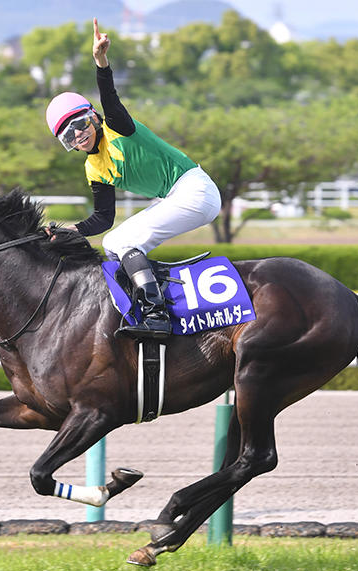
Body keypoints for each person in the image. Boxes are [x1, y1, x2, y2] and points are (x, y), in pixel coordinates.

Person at [45, 18, 221, 340]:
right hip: (175, 197)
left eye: (81, 124)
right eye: (69, 135)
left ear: (94, 116)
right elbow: (103, 218)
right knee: (113, 242)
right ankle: (151, 299)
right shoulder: (93, 168)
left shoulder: (117, 126)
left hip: (194, 189)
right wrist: (67, 230)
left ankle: (156, 315)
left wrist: (100, 60)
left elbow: (108, 93)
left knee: (123, 241)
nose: (79, 135)